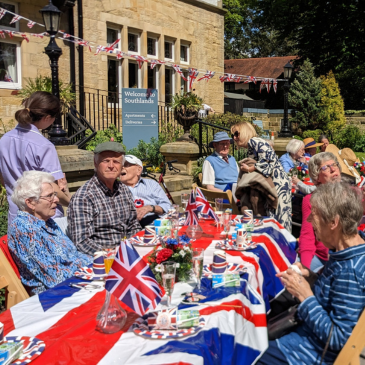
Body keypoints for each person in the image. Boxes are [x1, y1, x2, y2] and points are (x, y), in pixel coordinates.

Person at [257, 182, 365, 365]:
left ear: (333, 222)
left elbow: (339, 339)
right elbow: (333, 296)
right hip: (301, 339)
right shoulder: (347, 253)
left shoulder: (350, 271)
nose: (309, 222)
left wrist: (304, 295)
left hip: (303, 354)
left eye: (314, 216)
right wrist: (313, 278)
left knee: (242, 352)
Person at [8, 171, 92, 295]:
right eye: (49, 196)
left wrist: (97, 260)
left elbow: (73, 255)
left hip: (77, 281)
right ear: (30, 202)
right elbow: (55, 278)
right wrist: (92, 268)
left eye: (55, 194)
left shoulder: (46, 221)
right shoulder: (24, 229)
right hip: (56, 295)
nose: (56, 200)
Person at [0, 91, 71, 230]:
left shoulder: (4, 139)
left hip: (16, 218)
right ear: (47, 117)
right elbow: (53, 187)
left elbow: (2, 178)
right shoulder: (44, 145)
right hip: (44, 221)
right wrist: (71, 202)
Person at [67, 142, 141, 255]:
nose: (111, 165)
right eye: (106, 161)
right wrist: (112, 254)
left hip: (128, 253)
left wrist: (134, 247)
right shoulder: (84, 197)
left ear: (122, 166)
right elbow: (82, 242)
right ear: (95, 163)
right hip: (102, 260)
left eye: (116, 161)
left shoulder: (124, 190)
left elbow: (133, 225)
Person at [231, 122, 292, 231]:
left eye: (236, 134)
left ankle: (283, 243)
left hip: (278, 182)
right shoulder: (251, 145)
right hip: (274, 181)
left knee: (280, 217)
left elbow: (270, 160)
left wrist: (250, 169)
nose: (234, 138)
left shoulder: (254, 141)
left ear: (245, 132)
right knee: (276, 216)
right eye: (233, 135)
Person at [298, 152, 342, 272]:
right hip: (321, 257)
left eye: (334, 164)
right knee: (294, 275)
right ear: (317, 176)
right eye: (325, 167)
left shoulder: (350, 195)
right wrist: (305, 270)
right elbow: (307, 237)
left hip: (345, 255)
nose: (333, 169)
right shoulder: (311, 200)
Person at [120, 155, 172, 227]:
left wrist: (150, 208)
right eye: (121, 165)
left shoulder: (151, 184)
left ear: (138, 170)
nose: (122, 167)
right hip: (129, 226)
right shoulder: (115, 188)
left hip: (153, 222)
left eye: (126, 165)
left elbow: (168, 206)